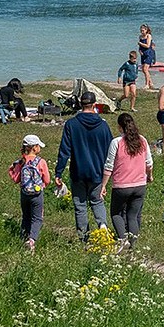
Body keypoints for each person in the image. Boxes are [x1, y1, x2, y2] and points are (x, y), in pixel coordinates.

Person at [54, 91, 114, 241]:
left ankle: (83, 237)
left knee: (80, 205)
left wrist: (58, 173)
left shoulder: (71, 124)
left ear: (81, 105)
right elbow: (111, 150)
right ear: (94, 105)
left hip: (78, 172)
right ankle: (103, 226)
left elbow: (64, 150)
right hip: (97, 172)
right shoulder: (103, 126)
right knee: (97, 200)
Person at [101, 113, 152, 254]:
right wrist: (150, 176)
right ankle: (132, 245)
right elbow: (149, 163)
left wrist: (103, 185)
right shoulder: (142, 140)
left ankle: (122, 239)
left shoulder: (116, 142)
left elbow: (109, 166)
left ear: (119, 127)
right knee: (133, 216)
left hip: (121, 186)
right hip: (140, 185)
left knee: (116, 213)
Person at [7, 134, 50, 253]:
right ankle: (31, 241)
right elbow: (47, 179)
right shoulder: (41, 162)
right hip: (37, 195)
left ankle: (23, 238)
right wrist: (42, 185)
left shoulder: (21, 162)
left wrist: (11, 170)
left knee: (26, 216)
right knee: (37, 218)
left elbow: (16, 179)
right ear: (35, 148)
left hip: (24, 194)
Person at [138, 24, 155, 89]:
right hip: (143, 54)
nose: (142, 32)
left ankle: (147, 84)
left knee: (145, 69)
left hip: (149, 53)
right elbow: (140, 47)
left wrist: (140, 43)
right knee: (143, 69)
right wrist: (139, 51)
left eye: (143, 30)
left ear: (146, 30)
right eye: (141, 30)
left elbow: (148, 45)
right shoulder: (140, 37)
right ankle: (151, 83)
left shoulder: (149, 36)